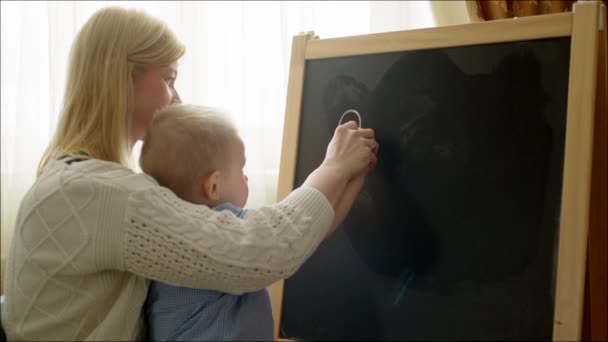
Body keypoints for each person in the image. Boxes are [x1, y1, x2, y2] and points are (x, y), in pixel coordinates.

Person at [0, 6, 377, 341]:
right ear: (121, 79)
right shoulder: (99, 192)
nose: (177, 98)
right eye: (168, 79)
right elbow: (260, 251)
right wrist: (334, 167)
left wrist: (346, 178)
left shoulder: (72, 179)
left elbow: (270, 245)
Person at [139, 104, 370, 341]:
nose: (246, 176)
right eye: (241, 167)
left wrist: (355, 176)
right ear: (214, 186)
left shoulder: (168, 240)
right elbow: (297, 231)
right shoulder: (222, 230)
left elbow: (314, 228)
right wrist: (339, 168)